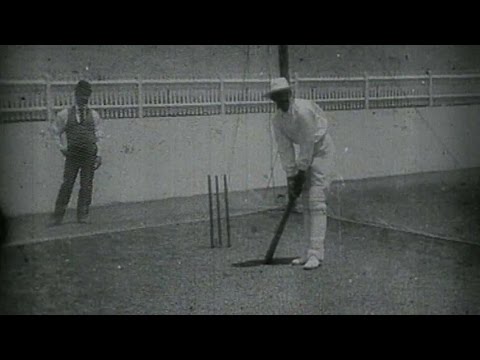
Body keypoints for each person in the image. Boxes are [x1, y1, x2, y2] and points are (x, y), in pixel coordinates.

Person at [267, 78, 336, 270]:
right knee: (305, 203)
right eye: (276, 97)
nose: (281, 100)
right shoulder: (277, 120)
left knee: (316, 200)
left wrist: (301, 172)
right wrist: (291, 177)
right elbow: (285, 149)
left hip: (321, 149)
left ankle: (316, 254)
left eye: (283, 95)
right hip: (307, 152)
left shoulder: (304, 111)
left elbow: (307, 143)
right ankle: (307, 252)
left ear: (290, 94)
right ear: (273, 99)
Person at [50, 80, 104, 225]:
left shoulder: (94, 115)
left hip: (89, 155)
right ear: (76, 95)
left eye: (86, 95)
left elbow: (99, 136)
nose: (83, 98)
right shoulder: (65, 114)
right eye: (81, 94)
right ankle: (58, 216)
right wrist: (62, 148)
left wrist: (98, 155)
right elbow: (55, 132)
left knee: (86, 185)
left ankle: (83, 215)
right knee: (67, 184)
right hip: (73, 155)